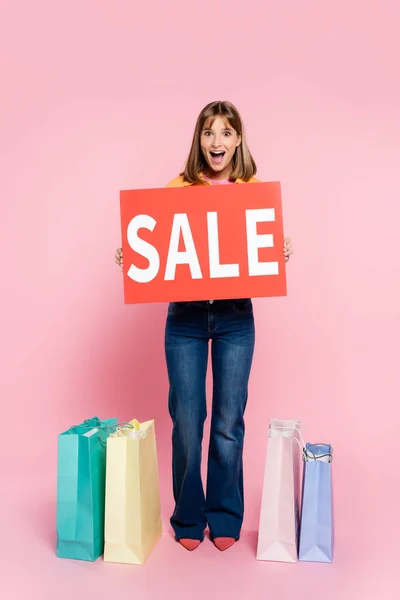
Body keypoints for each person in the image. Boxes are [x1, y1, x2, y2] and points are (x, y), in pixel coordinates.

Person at [115, 101, 294, 552]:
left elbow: (257, 253)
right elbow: (156, 245)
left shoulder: (253, 192)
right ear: (199, 140)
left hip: (235, 318)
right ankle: (189, 517)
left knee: (229, 421)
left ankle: (225, 514)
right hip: (186, 319)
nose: (217, 142)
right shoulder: (178, 188)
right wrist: (134, 258)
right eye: (209, 133)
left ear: (238, 140)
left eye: (226, 133)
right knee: (188, 420)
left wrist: (278, 251)